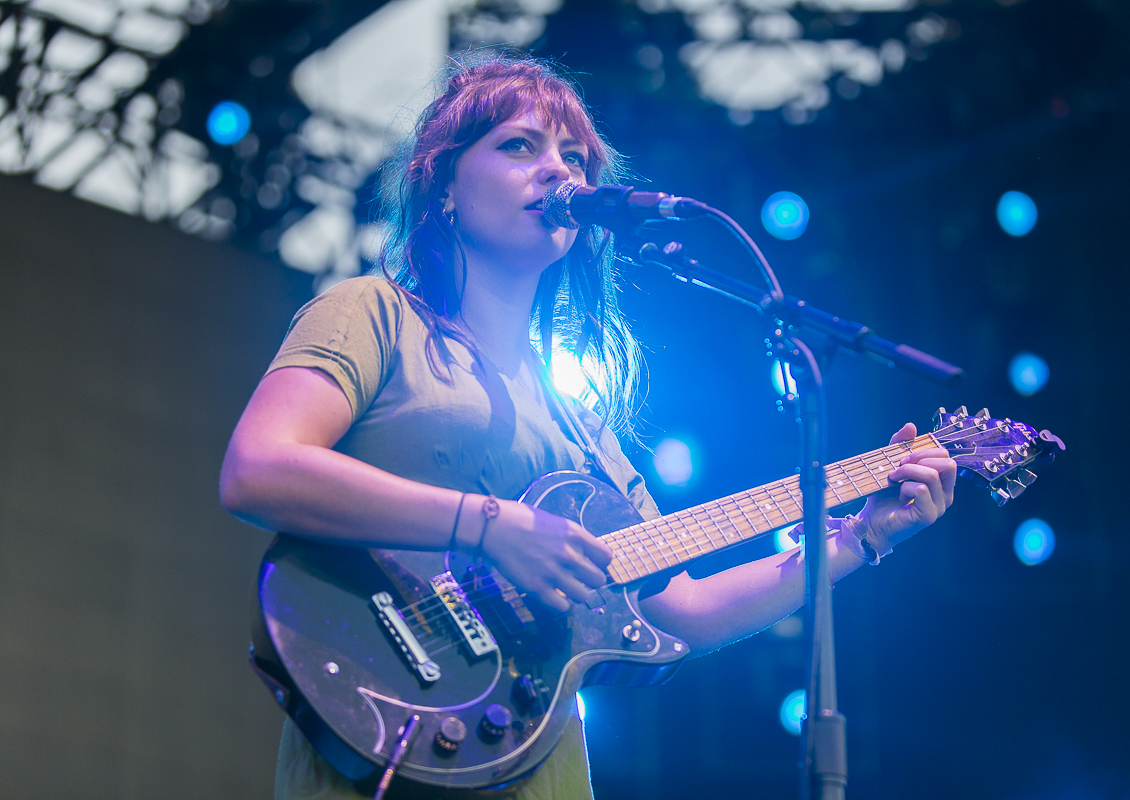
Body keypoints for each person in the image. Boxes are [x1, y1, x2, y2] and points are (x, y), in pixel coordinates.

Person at [219, 54, 957, 800]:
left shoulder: (582, 426)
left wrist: (860, 539)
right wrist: (487, 524)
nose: (557, 172)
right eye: (519, 146)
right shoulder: (373, 313)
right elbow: (259, 468)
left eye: (574, 158)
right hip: (381, 732)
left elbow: (683, 609)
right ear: (443, 186)